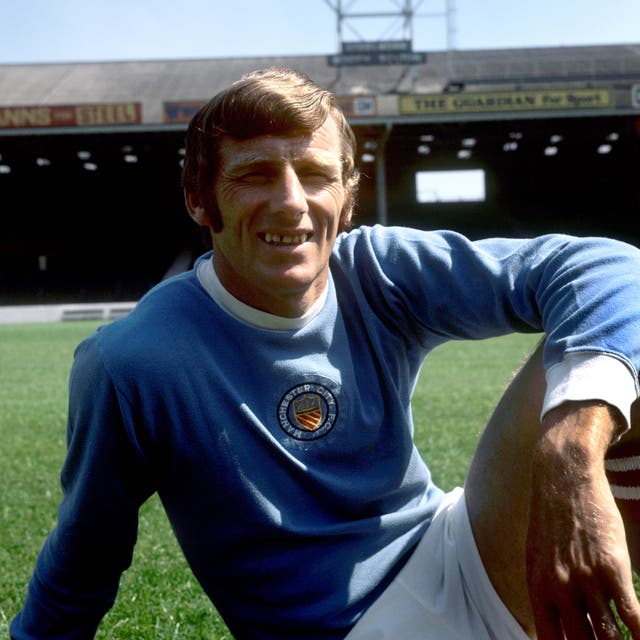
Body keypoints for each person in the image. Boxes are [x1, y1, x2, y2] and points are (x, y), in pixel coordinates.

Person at [10, 66, 640, 640]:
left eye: (313, 174)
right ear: (199, 199)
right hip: (352, 630)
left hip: (461, 549)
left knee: (614, 365)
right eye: (255, 174)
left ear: (346, 195)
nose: (291, 201)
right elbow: (82, 564)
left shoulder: (375, 271)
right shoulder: (130, 363)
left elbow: (609, 268)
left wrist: (571, 449)